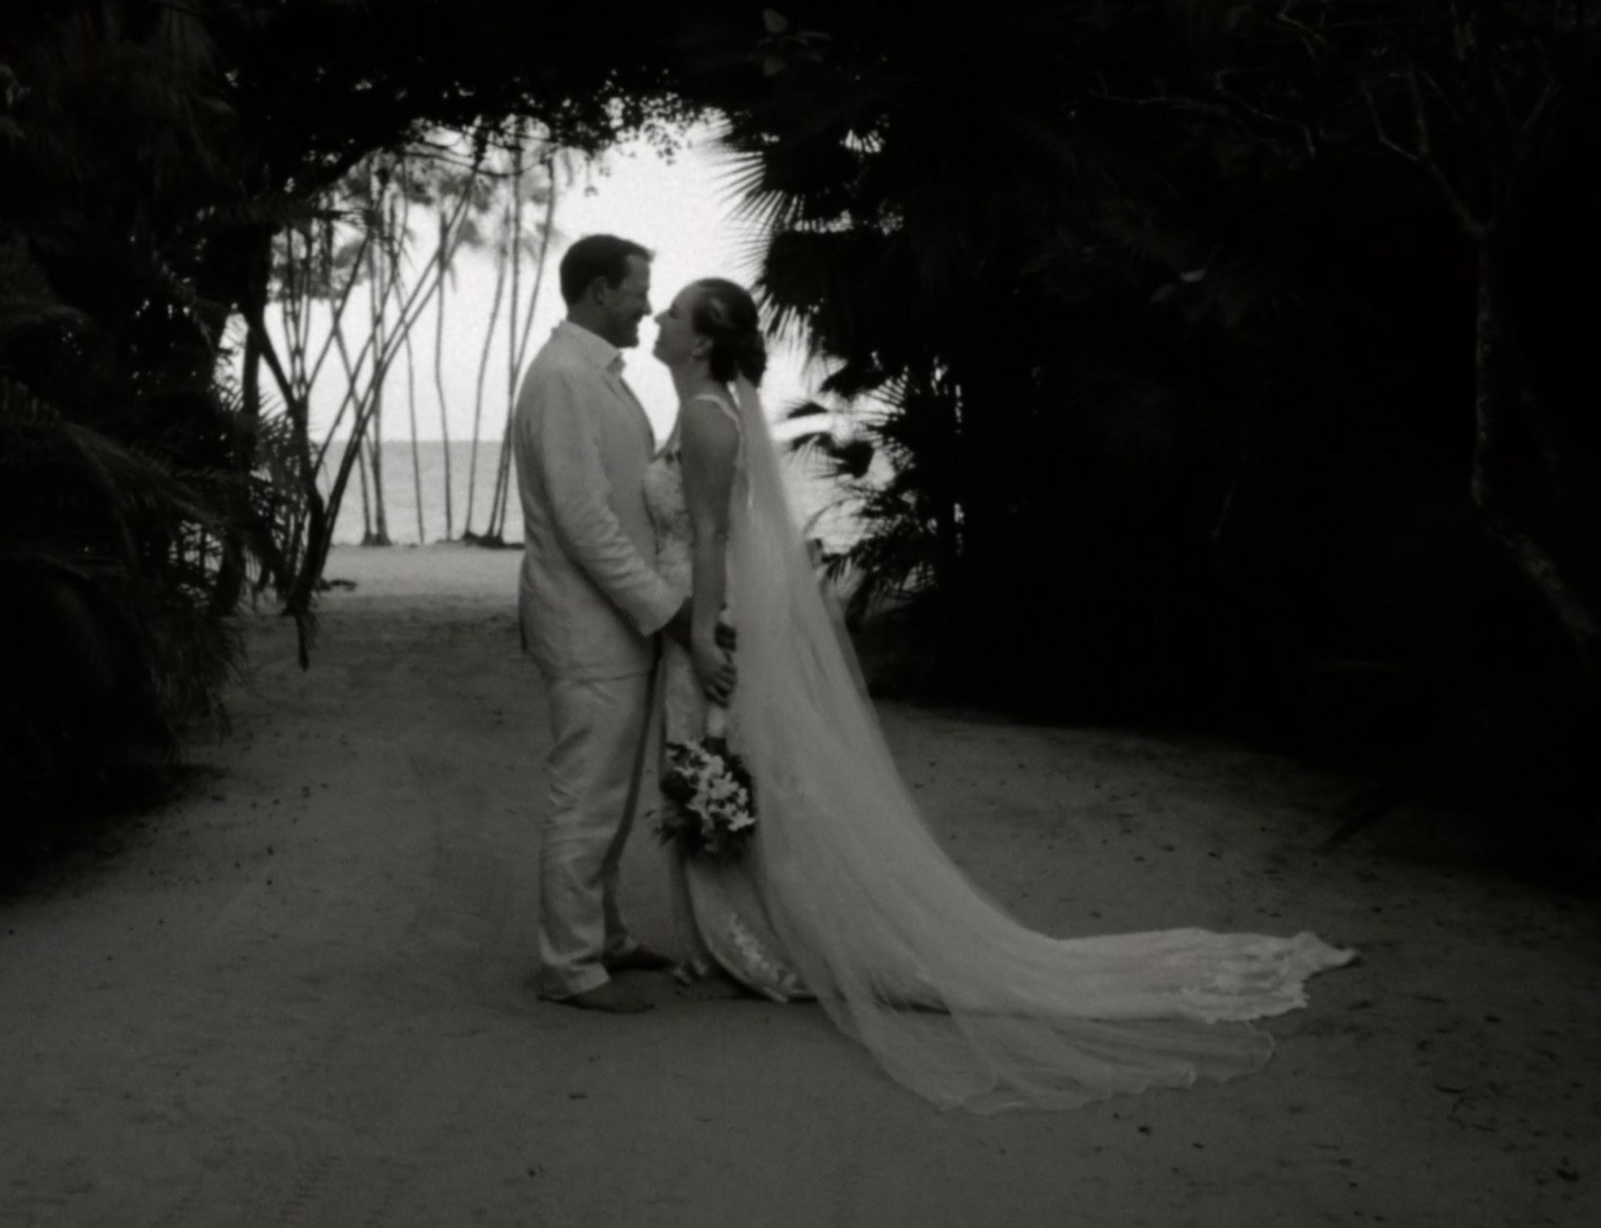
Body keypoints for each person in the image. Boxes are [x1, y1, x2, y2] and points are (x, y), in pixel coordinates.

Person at [645, 276, 1358, 1112]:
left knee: (726, 762)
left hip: (710, 618)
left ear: (702, 340)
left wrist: (700, 632)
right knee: (731, 765)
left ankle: (761, 943)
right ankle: (740, 937)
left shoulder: (707, 417)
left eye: (674, 313)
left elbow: (712, 535)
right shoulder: (702, 409)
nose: (660, 317)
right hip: (704, 610)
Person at [512, 234, 714, 1015]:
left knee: (614, 798)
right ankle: (570, 967)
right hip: (588, 629)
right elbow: (584, 522)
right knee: (586, 800)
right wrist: (667, 609)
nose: (647, 306)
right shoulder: (564, 378)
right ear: (599, 292)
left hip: (614, 628)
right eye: (638, 292)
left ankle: (606, 934)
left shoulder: (595, 373)